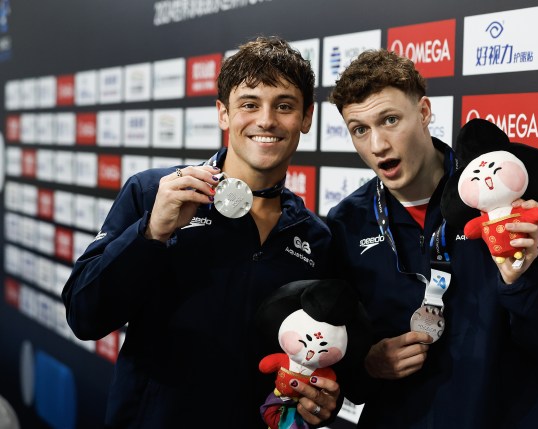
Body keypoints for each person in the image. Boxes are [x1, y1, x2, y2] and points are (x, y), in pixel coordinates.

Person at [62, 36, 341, 428]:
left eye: (284, 106)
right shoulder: (153, 193)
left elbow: (321, 357)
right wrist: (151, 232)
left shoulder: (316, 236)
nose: (266, 120)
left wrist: (321, 398)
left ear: (307, 118)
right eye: (249, 104)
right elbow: (84, 315)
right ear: (223, 114)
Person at [326, 49, 538, 428]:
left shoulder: (507, 194)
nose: (377, 145)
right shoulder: (347, 223)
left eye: (390, 120)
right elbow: (343, 373)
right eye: (360, 129)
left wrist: (520, 284)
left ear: (425, 112)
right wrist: (369, 365)